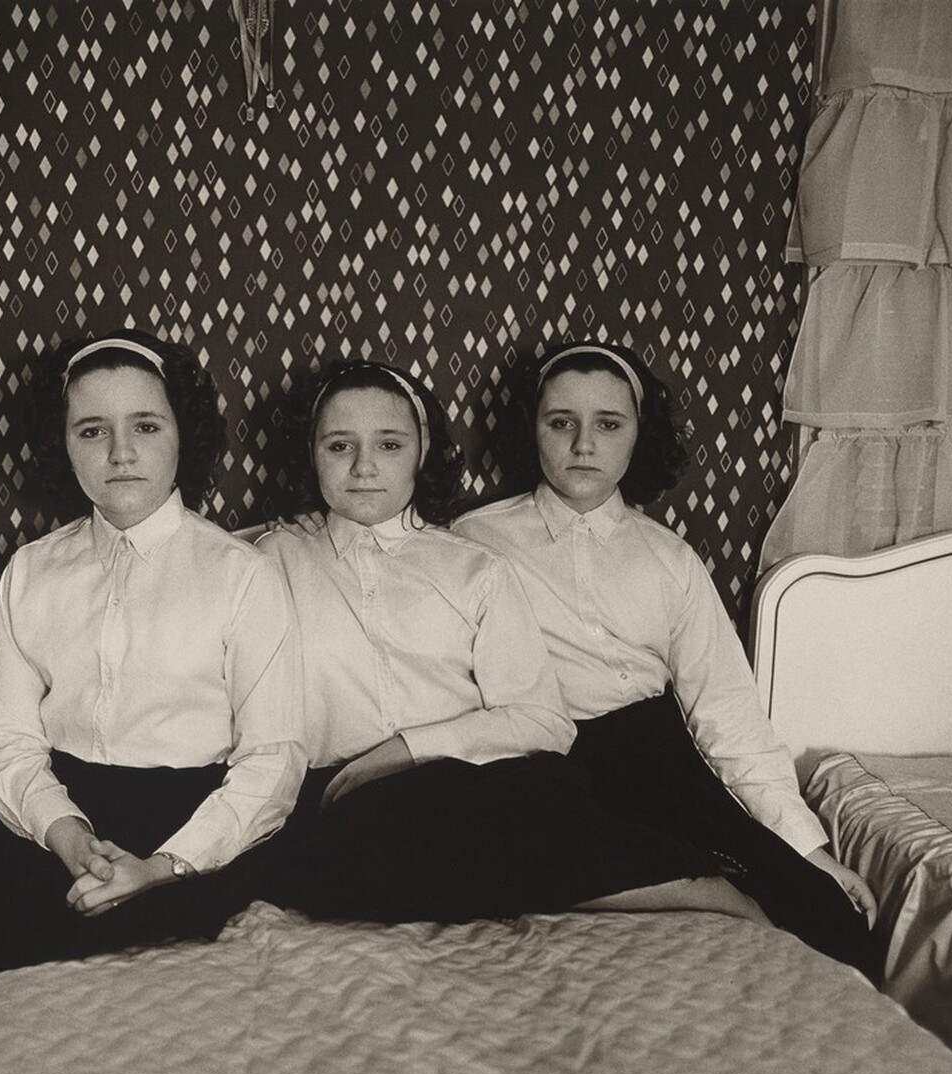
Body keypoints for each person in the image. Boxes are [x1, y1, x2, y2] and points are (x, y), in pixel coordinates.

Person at [0, 329, 305, 1074]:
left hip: (188, 824)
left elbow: (275, 760)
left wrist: (160, 866)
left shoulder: (241, 576)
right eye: (93, 431)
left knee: (100, 938)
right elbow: (7, 743)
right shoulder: (33, 570)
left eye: (145, 426)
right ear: (66, 447)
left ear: (184, 432)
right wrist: (66, 833)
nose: (121, 452)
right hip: (59, 818)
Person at [258, 359, 762, 925]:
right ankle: (654, 880)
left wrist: (402, 750)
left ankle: (691, 881)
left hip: (472, 788)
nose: (365, 467)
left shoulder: (475, 565)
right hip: (342, 803)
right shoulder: (268, 562)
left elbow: (544, 719)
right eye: (340, 446)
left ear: (421, 451)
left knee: (539, 793)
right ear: (312, 452)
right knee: (329, 863)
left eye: (390, 445)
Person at [453, 340, 881, 980]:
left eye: (608, 424)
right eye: (561, 422)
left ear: (637, 435)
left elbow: (727, 712)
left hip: (651, 758)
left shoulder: (668, 558)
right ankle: (685, 888)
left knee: (828, 921)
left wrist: (810, 851)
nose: (583, 445)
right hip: (537, 762)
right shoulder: (474, 540)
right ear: (531, 429)